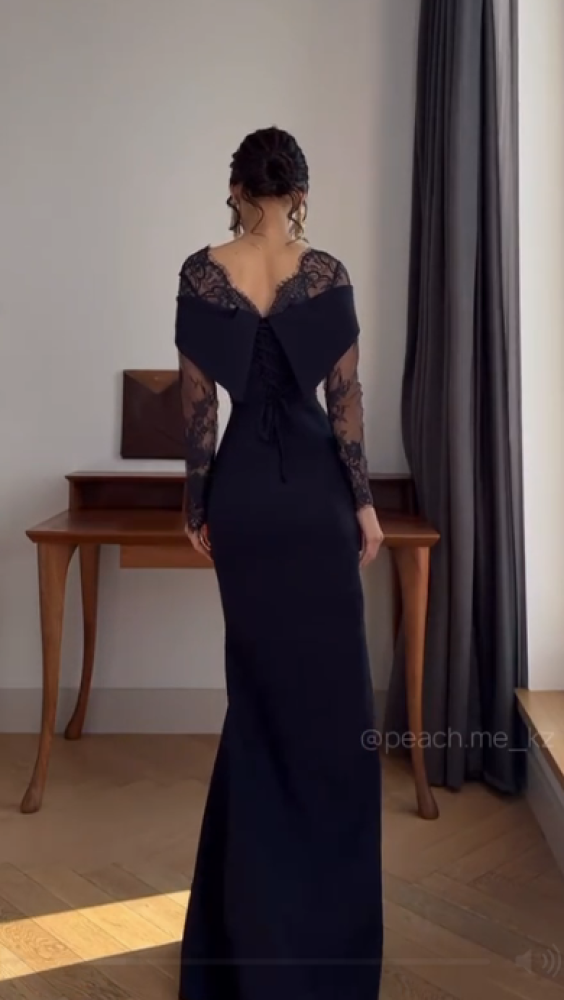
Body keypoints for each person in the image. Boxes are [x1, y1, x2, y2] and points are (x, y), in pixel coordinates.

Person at [175, 126, 384, 1000]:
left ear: (236, 188)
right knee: (334, 717)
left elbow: (196, 407)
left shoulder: (202, 273)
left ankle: (246, 942)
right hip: (315, 506)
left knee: (257, 709)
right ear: (298, 193)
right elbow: (345, 402)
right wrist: (363, 504)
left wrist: (196, 504)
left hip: (247, 502)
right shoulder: (325, 272)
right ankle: (328, 947)